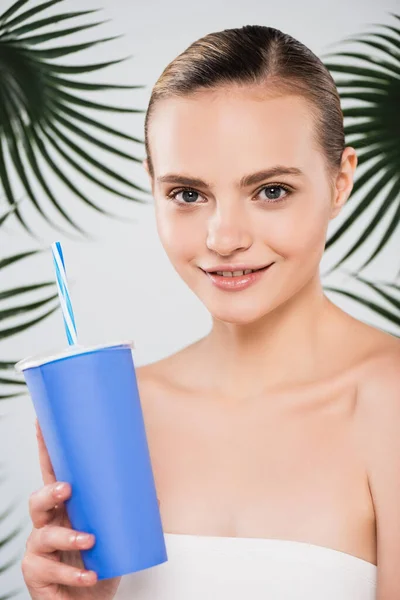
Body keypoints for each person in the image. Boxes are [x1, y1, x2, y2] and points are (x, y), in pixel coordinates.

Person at [21, 24, 400, 600]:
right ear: (152, 185)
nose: (225, 238)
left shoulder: (388, 402)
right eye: (189, 194)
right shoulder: (121, 410)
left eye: (271, 190)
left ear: (341, 179)